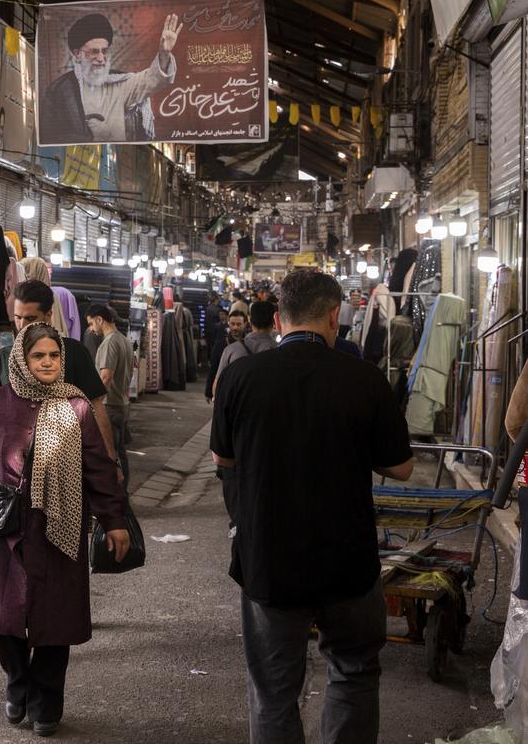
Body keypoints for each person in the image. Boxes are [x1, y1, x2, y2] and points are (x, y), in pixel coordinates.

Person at [211, 269, 414, 744]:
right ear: (333, 316)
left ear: (278, 320)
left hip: (269, 560)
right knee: (354, 672)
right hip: (347, 560)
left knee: (273, 690)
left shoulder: (241, 376)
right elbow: (402, 468)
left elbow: (223, 459)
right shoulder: (364, 378)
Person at [0, 322, 130, 736]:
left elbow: (98, 470)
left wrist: (114, 521)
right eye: (38, 356)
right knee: (4, 619)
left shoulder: (77, 405)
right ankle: (17, 681)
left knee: (55, 621)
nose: (47, 363)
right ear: (21, 361)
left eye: (54, 356)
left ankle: (47, 703)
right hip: (8, 526)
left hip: (60, 526)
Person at [0, 281, 121, 471]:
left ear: (49, 315)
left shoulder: (74, 353)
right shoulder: (3, 359)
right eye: (18, 317)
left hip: (69, 465)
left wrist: (111, 460)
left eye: (30, 318)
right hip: (15, 469)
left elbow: (96, 408)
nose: (22, 325)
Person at [39, 12, 181, 144]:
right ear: (77, 54)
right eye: (94, 52)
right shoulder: (59, 91)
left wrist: (164, 53)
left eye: (105, 51)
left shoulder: (119, 84)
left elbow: (152, 80)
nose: (101, 58)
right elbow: (49, 135)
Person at [86, 304, 134, 490]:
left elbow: (105, 376)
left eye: (92, 324)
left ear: (100, 319)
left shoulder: (109, 343)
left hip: (110, 405)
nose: (91, 329)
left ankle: (114, 495)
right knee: (120, 453)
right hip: (122, 403)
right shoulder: (124, 340)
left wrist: (92, 401)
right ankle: (123, 493)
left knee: (110, 454)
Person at [214, 300, 277, 395]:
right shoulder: (280, 351)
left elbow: (218, 384)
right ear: (273, 322)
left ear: (250, 321)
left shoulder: (231, 350)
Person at [206, 309, 247, 403]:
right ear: (228, 324)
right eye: (232, 324)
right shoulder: (220, 344)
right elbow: (213, 368)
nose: (235, 327)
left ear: (245, 324)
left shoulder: (250, 343)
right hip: (225, 389)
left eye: (239, 324)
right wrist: (208, 392)